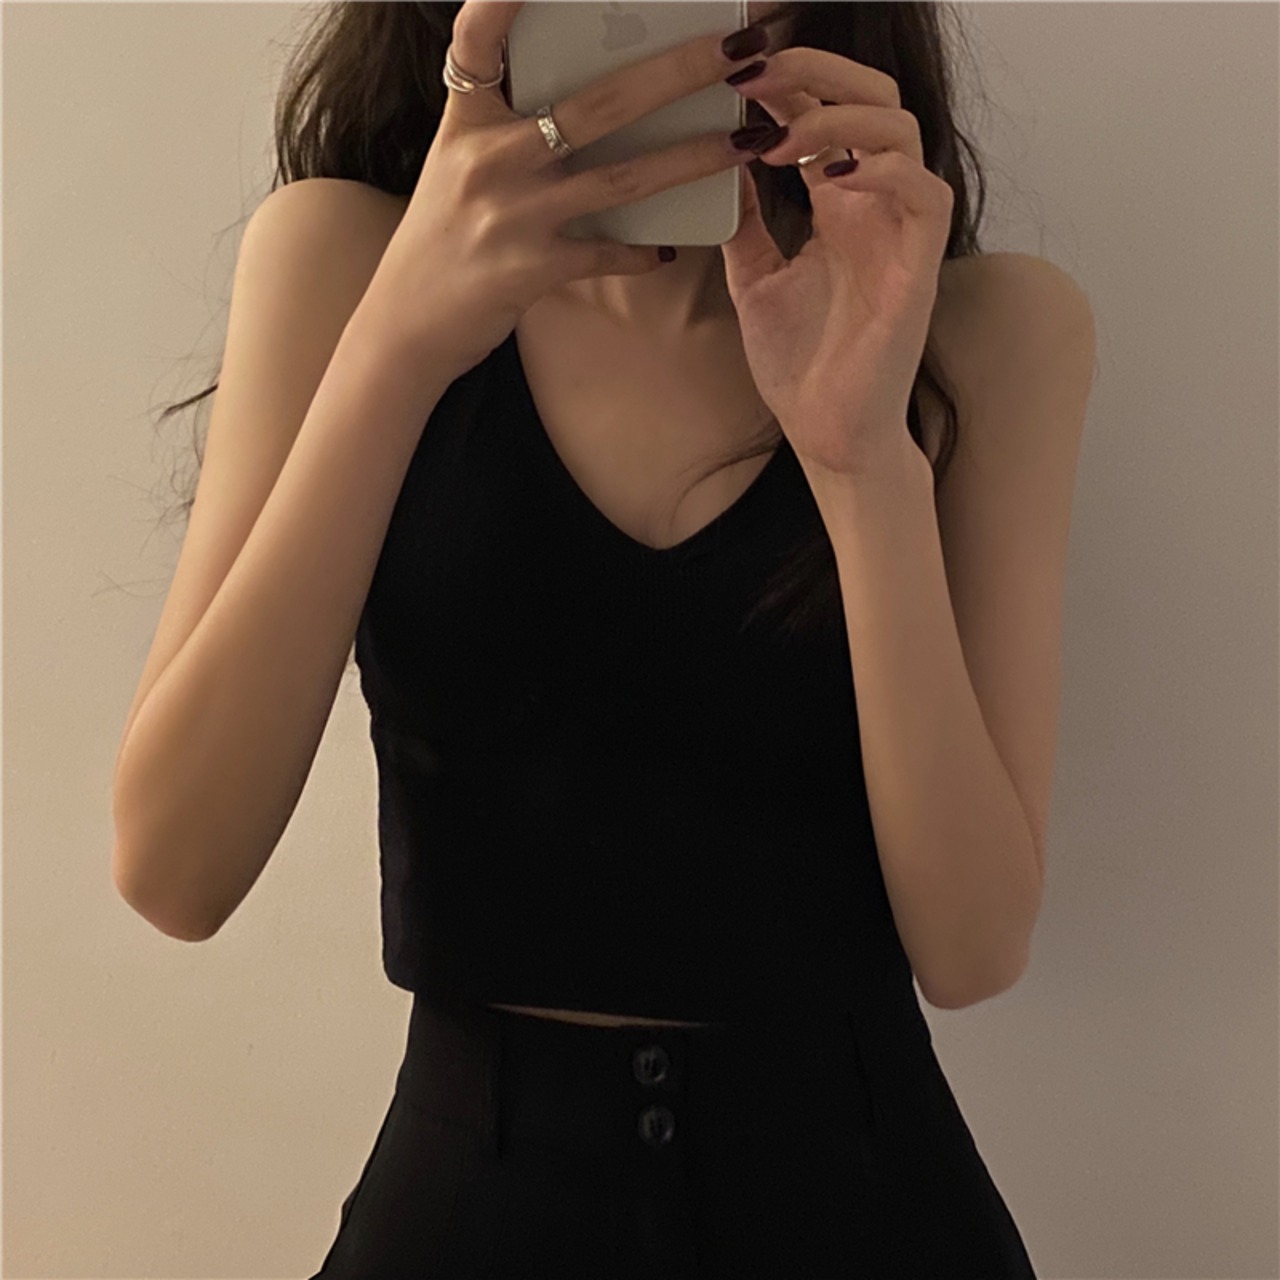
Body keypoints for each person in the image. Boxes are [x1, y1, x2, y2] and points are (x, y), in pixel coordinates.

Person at [113, 1, 1054, 1274]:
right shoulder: (340, 258)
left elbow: (972, 945)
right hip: (467, 1207)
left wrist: (858, 460)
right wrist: (400, 340)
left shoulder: (978, 330)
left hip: (871, 1211)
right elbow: (175, 870)